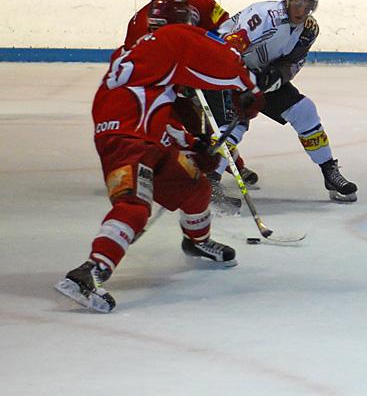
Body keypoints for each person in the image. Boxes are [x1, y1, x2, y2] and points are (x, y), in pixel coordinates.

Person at [55, 24, 263, 313]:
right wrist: (246, 86)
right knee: (134, 207)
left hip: (150, 139)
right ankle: (89, 273)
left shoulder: (146, 64)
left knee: (195, 187)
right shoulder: (166, 45)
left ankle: (197, 241)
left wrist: (195, 148)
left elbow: (164, 117)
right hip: (126, 141)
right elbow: (214, 58)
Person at [215, 0, 358, 202]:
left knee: (304, 110)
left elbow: (294, 63)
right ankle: (209, 183)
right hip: (227, 70)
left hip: (259, 74)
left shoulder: (308, 30)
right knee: (234, 125)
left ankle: (329, 171)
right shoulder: (265, 16)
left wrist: (277, 77)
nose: (301, 10)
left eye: (308, 5)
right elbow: (229, 48)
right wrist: (246, 82)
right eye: (297, 2)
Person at [122, 0, 255, 209]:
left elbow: (227, 30)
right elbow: (133, 62)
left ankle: (231, 168)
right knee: (167, 132)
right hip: (161, 87)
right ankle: (154, 174)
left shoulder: (203, 5)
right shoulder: (143, 19)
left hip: (194, 75)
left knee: (204, 129)